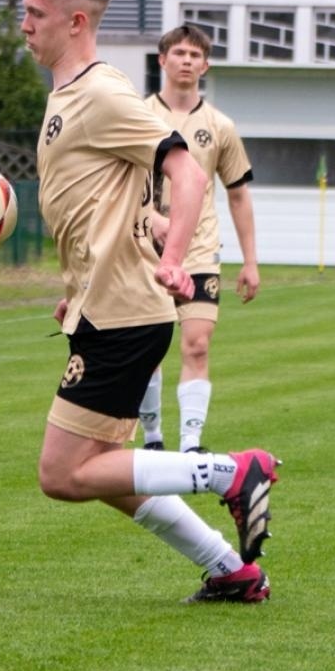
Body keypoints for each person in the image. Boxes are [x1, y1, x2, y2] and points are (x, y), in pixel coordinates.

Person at [21, 0, 281, 604]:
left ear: (76, 20)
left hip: (126, 315)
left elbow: (188, 173)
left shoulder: (102, 94)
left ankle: (231, 471)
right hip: (104, 307)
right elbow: (108, 206)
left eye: (34, 14)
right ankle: (232, 569)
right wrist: (78, 288)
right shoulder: (69, 94)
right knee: (108, 474)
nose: (23, 25)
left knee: (61, 473)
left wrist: (173, 261)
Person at [136, 24, 261, 454]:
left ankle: (191, 444)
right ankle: (153, 438)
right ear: (162, 61)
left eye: (195, 55)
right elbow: (119, 184)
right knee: (149, 347)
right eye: (179, 53)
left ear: (205, 65)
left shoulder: (220, 126)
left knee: (197, 344)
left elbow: (239, 194)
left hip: (201, 249)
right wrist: (149, 216)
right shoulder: (138, 116)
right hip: (144, 249)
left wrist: (250, 262)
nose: (186, 60)